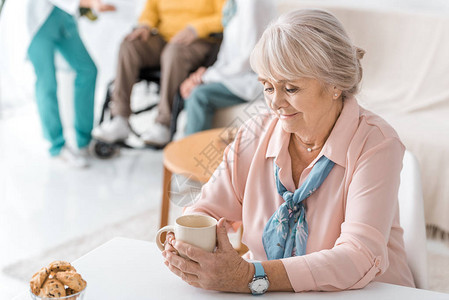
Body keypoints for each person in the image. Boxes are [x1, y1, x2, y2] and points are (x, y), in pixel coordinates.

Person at [161, 9, 415, 293]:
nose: (275, 103)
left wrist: (249, 276)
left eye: (291, 88)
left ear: (335, 85)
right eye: (268, 87)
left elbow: (358, 256)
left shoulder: (376, 144)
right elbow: (206, 208)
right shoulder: (254, 133)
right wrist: (187, 246)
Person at [92, 0, 226, 147]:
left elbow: (225, 16)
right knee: (129, 45)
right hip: (165, 38)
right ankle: (119, 118)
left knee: (173, 52)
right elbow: (152, 7)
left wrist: (196, 29)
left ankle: (164, 124)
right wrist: (145, 25)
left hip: (199, 40)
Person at [24, 0, 114, 167]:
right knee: (47, 82)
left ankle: (84, 140)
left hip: (64, 16)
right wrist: (90, 3)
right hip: (38, 21)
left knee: (88, 70)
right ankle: (57, 146)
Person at [179, 0, 274, 136]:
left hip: (253, 78)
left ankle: (191, 155)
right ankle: (184, 151)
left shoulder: (252, 3)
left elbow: (249, 58)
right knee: (193, 90)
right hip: (236, 76)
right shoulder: (232, 4)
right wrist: (203, 75)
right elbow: (225, 56)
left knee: (199, 96)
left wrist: (207, 77)